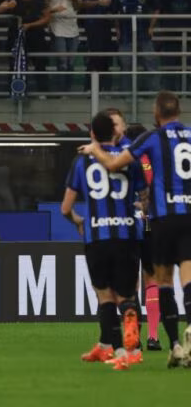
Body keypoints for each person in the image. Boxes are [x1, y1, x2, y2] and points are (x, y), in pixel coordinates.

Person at [79, 91, 191, 368]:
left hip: (152, 221)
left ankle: (162, 342)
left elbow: (129, 171)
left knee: (155, 281)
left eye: (117, 122)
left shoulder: (144, 143)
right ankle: (112, 341)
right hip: (178, 216)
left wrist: (94, 150)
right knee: (179, 278)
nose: (116, 127)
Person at [61, 111, 146, 370]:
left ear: (92, 134)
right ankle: (129, 348)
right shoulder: (130, 160)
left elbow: (65, 208)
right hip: (127, 235)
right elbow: (145, 196)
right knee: (127, 295)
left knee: (105, 297)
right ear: (116, 132)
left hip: (97, 235)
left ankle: (118, 350)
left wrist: (77, 220)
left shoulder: (81, 161)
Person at [122, 120, 162, 351]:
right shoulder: (152, 160)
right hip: (150, 222)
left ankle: (133, 336)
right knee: (151, 278)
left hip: (129, 223)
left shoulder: (126, 159)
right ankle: (153, 337)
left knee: (131, 281)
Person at [0, 0, 51, 96]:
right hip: (16, 32)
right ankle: (14, 91)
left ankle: (43, 92)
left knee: (40, 63)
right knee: (14, 63)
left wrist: (31, 25)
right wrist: (7, 6)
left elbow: (47, 18)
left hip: (35, 31)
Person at [114, 0, 159, 93]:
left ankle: (153, 93)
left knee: (150, 64)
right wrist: (117, 29)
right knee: (125, 66)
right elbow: (115, 12)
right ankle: (126, 94)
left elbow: (157, 9)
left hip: (144, 35)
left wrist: (151, 27)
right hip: (125, 36)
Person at [40, 0, 82, 94]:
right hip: (56, 27)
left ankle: (67, 92)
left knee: (71, 63)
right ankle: (60, 92)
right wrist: (53, 10)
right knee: (62, 62)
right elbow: (42, 10)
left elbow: (79, 7)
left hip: (73, 27)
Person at [81, 0, 120, 92]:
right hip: (95, 25)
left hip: (109, 25)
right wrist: (98, 2)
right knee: (96, 57)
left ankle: (105, 89)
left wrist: (117, 26)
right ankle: (89, 89)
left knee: (107, 58)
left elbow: (117, 6)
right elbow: (84, 3)